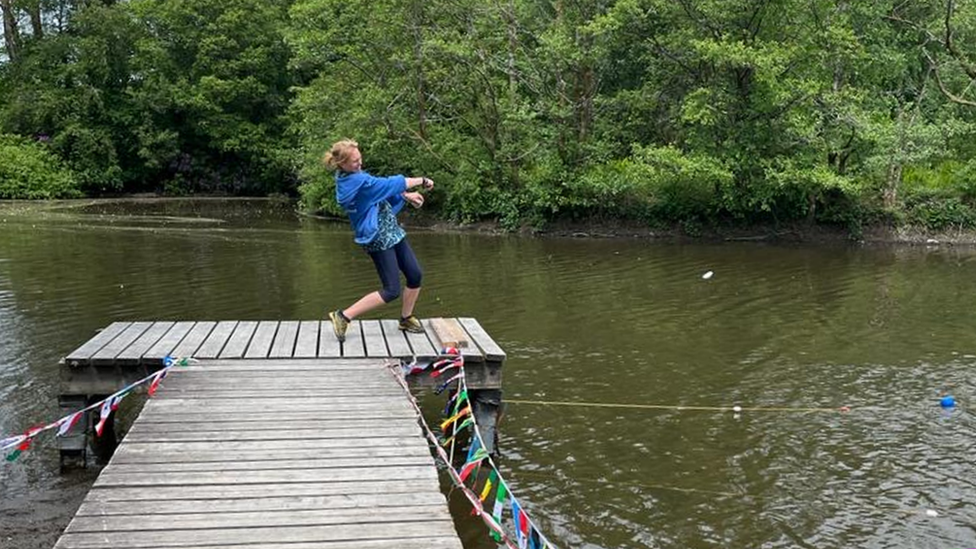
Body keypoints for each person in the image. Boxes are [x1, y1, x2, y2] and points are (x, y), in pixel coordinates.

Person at [322, 139, 434, 342]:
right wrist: (421, 180)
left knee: (415, 275)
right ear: (342, 164)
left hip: (391, 230)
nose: (360, 164)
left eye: (360, 159)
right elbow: (386, 184)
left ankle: (406, 318)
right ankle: (343, 316)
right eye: (355, 161)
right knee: (391, 290)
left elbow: (380, 192)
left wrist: (406, 196)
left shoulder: (355, 175)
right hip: (377, 238)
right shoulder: (354, 182)